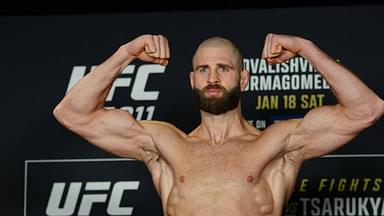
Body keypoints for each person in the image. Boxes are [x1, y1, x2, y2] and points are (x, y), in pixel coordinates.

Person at [53, 33, 384, 216]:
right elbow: (73, 114)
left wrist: (308, 49)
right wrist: (125, 52)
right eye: (203, 70)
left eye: (223, 69)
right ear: (192, 80)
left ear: (243, 78)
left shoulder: (278, 143)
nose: (212, 78)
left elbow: (366, 110)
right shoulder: (164, 144)